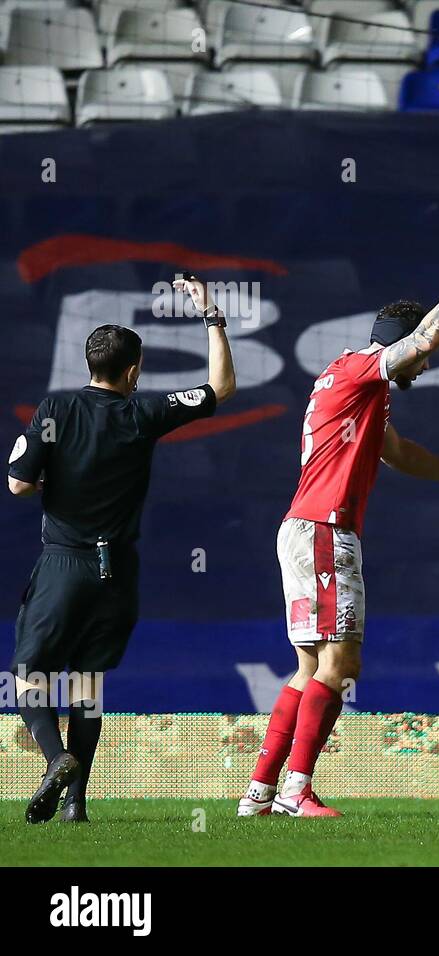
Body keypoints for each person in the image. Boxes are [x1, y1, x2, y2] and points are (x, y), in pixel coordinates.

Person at [240, 230, 439, 818]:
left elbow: (397, 452)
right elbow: (425, 339)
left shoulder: (352, 385)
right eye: (421, 358)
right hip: (322, 529)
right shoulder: (365, 370)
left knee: (311, 666)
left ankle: (261, 791)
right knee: (342, 664)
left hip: (305, 527)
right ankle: (296, 789)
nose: (426, 365)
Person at [7, 275, 235, 823]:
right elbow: (221, 387)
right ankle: (76, 805)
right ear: (133, 372)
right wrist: (210, 314)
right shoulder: (144, 413)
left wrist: (51, 481)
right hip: (118, 570)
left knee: (29, 676)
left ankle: (56, 758)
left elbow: (16, 484)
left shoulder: (55, 408)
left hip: (63, 563)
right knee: (87, 684)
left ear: (88, 365)